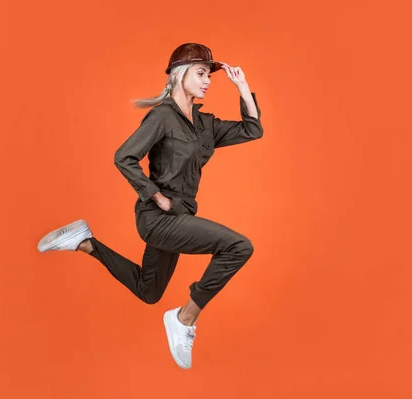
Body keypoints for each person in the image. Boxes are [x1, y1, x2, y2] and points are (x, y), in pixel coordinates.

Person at [37, 43, 264, 369]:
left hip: (179, 217)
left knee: (149, 291)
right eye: (201, 73)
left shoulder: (206, 126)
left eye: (208, 75)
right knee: (238, 247)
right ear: (181, 74)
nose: (208, 81)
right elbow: (124, 157)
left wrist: (242, 87)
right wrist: (154, 195)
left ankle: (85, 242)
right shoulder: (162, 116)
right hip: (158, 219)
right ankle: (185, 318)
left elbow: (252, 130)